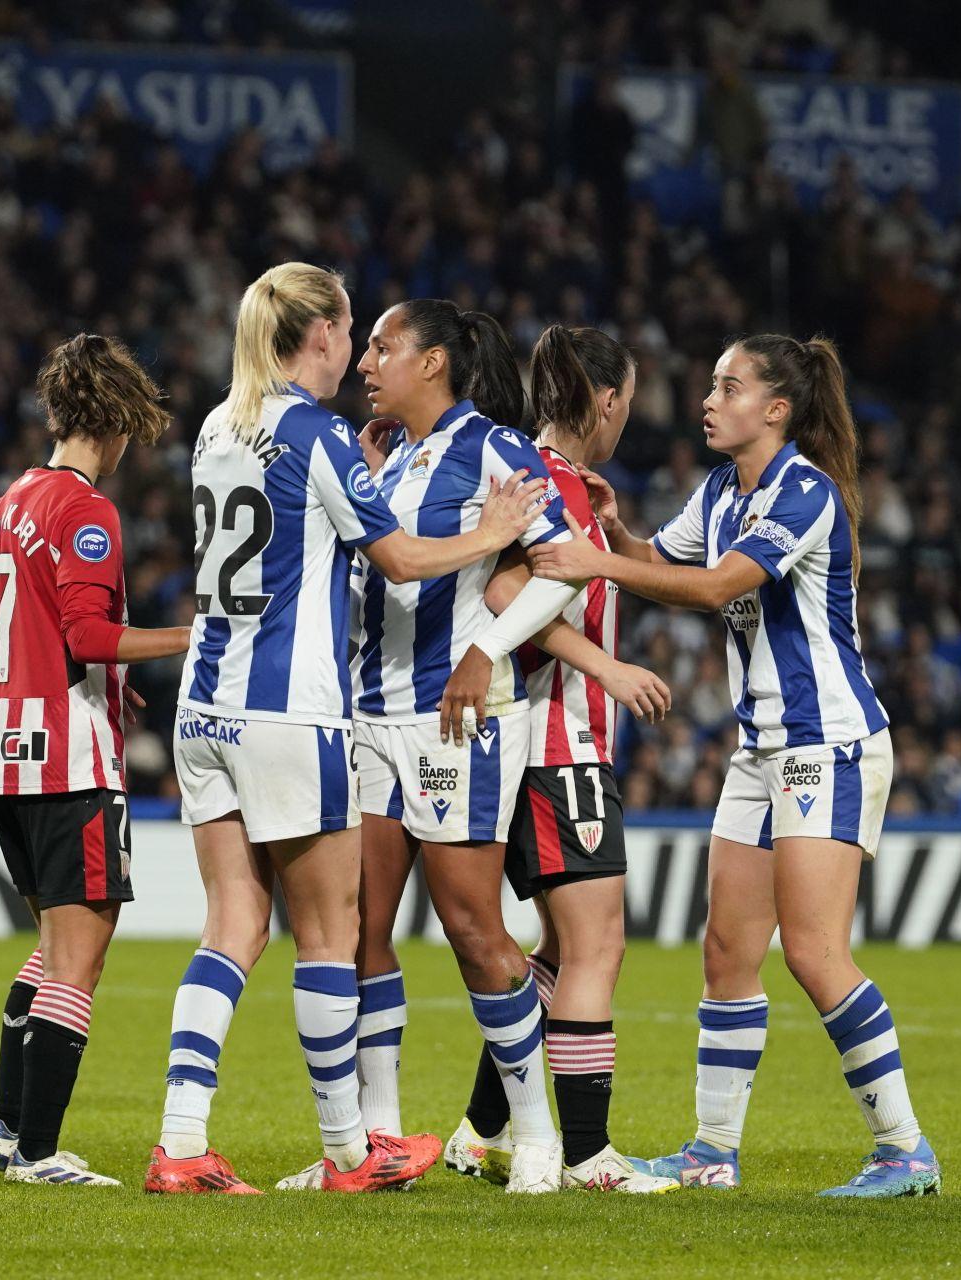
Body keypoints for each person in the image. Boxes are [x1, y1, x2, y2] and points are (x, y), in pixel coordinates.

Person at [145, 263, 550, 1194]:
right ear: (319, 335)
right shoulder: (318, 434)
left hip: (204, 708)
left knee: (232, 926)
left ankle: (180, 1143)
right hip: (293, 713)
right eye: (352, 332)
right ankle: (348, 1155)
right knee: (332, 934)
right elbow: (402, 559)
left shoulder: (216, 427)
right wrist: (491, 535)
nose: (358, 352)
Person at [528, 333, 941, 1198]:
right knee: (726, 951)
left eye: (729, 386)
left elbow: (719, 587)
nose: (708, 400)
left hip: (826, 740)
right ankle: (713, 1152)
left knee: (818, 955)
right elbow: (665, 564)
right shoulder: (722, 491)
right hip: (761, 749)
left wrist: (595, 558)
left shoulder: (806, 492)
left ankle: (905, 1150)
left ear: (778, 409)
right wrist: (619, 533)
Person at [345, 298, 648, 1196]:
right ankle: (379, 1144)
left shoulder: (498, 451)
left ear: (433, 362)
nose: (366, 362)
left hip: (462, 720)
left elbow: (558, 573)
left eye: (382, 347)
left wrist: (482, 649)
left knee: (475, 930)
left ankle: (539, 1138)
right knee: (364, 930)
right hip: (374, 713)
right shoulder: (392, 457)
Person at [440, 325, 677, 1193]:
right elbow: (508, 589)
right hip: (554, 742)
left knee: (553, 952)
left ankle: (478, 1130)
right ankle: (587, 1155)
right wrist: (607, 665)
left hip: (541, 745)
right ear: (608, 400)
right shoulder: (551, 484)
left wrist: (617, 532)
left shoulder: (553, 480)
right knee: (596, 945)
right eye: (630, 398)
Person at [0, 333, 190, 1187]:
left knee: (52, 947)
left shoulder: (7, 502)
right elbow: (89, 632)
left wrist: (74, 670)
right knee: (80, 958)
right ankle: (40, 1153)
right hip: (71, 760)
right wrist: (190, 640)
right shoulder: (85, 509)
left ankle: (4, 1128)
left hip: (1, 755)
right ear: (119, 423)